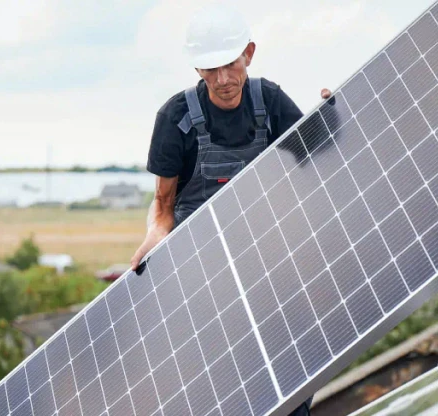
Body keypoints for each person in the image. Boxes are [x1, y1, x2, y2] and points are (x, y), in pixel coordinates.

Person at [130, 4, 327, 415]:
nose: (222, 80)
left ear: (249, 54)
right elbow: (164, 206)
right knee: (217, 386)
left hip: (267, 266)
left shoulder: (269, 102)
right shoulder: (175, 117)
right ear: (197, 69)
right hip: (202, 278)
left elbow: (319, 155)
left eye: (230, 65)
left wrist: (328, 114)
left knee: (288, 382)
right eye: (210, 69)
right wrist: (155, 236)